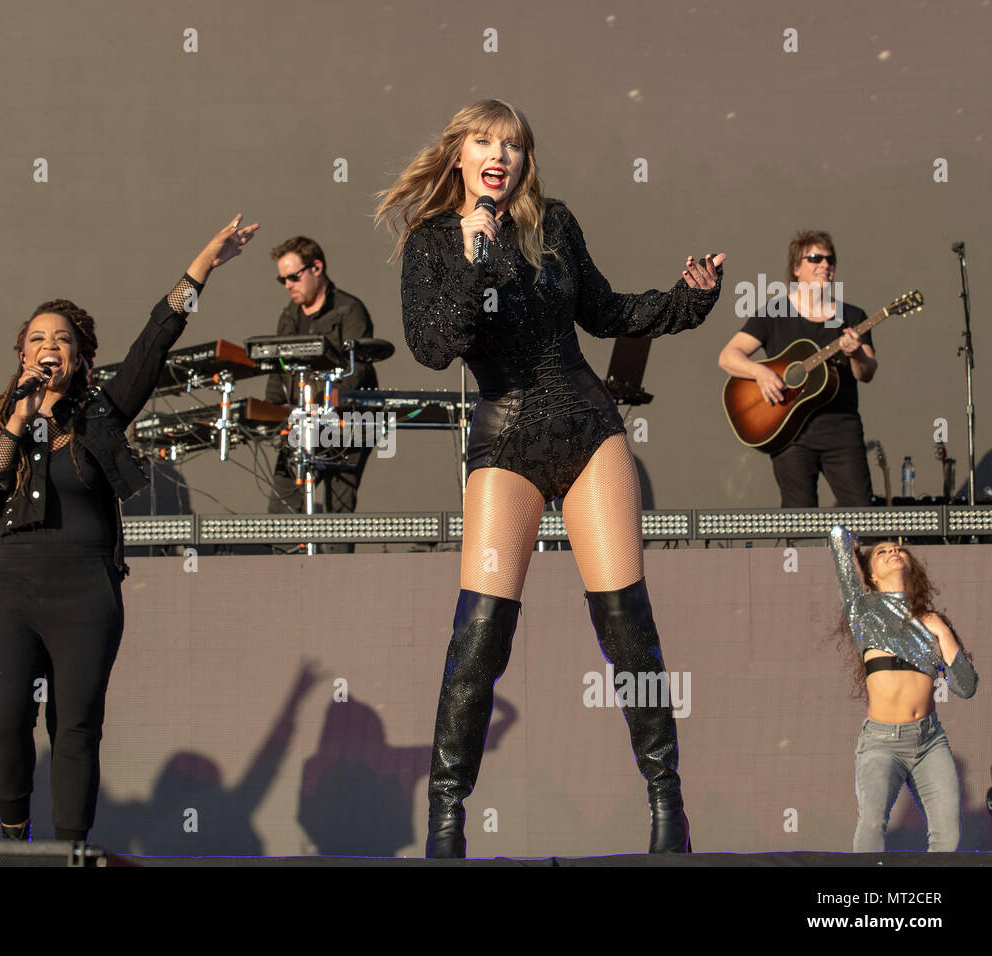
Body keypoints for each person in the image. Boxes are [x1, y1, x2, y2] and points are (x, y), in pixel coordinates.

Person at [376, 98, 725, 858]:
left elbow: (603, 311)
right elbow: (435, 348)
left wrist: (688, 301)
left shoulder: (553, 224)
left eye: (512, 144)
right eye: (483, 141)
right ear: (459, 155)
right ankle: (446, 817)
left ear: (524, 160)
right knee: (480, 634)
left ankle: (667, 803)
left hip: (587, 427)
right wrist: (473, 258)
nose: (498, 154)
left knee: (626, 623)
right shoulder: (433, 241)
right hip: (506, 442)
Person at [0, 215, 258, 843]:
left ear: (78, 357)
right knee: (4, 714)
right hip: (11, 587)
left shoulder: (101, 413)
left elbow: (156, 340)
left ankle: (67, 852)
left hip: (86, 589)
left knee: (75, 726)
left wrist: (203, 262)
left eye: (62, 339)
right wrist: (18, 420)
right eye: (38, 337)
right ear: (22, 355)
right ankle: (15, 837)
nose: (50, 345)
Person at [829, 526, 978, 852]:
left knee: (947, 836)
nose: (893, 552)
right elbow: (837, 536)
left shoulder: (932, 622)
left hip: (930, 741)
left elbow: (966, 687)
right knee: (871, 823)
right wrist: (856, 545)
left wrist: (941, 630)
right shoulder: (865, 612)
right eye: (881, 553)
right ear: (871, 577)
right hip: (882, 743)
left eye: (898, 549)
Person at [718, 231, 877, 507]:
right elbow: (728, 356)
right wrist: (761, 373)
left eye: (830, 259)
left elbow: (867, 373)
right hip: (789, 431)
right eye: (815, 258)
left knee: (861, 513)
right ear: (796, 269)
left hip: (840, 428)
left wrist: (855, 355)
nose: (825, 264)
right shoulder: (774, 313)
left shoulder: (851, 317)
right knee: (798, 516)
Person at [265, 237, 378, 552]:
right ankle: (286, 585)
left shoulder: (349, 309)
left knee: (337, 514)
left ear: (317, 267)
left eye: (293, 276)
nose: (287, 285)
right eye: (282, 279)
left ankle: (336, 588)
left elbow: (358, 371)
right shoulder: (288, 316)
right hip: (301, 425)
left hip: (347, 423)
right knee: (282, 510)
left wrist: (324, 406)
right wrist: (273, 414)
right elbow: (278, 372)